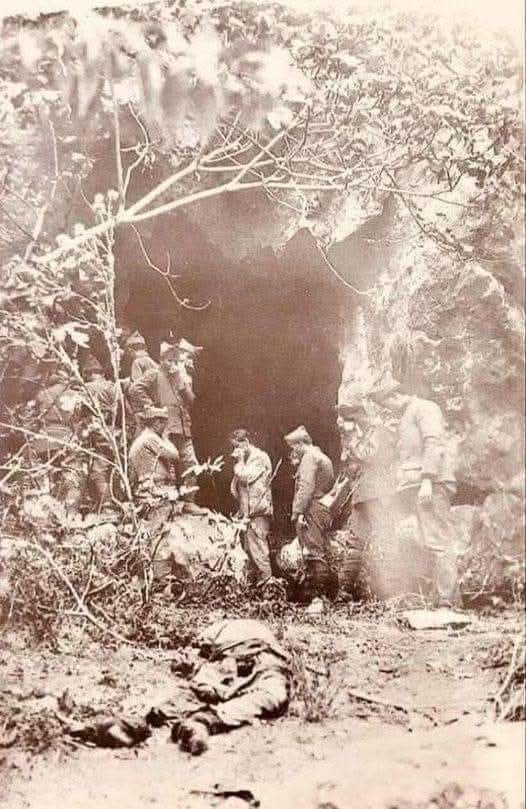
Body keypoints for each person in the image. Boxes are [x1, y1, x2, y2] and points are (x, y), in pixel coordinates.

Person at [369, 373, 459, 606]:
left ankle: (447, 600)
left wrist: (428, 479)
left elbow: (433, 442)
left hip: (430, 485)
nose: (387, 409)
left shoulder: (425, 408)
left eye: (386, 403)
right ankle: (444, 597)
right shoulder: (406, 415)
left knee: (438, 541)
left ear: (395, 395)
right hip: (415, 486)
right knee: (422, 540)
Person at [146, 618, 290, 755]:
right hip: (228, 661)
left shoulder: (232, 631)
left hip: (259, 657)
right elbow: (201, 667)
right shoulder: (212, 653)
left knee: (270, 696)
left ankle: (202, 722)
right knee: (194, 693)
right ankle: (152, 721)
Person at [129, 339, 203, 513]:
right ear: (161, 360)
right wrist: (150, 406)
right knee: (166, 466)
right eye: (169, 360)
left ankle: (189, 501)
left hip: (183, 427)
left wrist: (183, 382)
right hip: (164, 427)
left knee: (190, 463)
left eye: (176, 361)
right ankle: (165, 503)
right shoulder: (154, 374)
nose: (172, 364)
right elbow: (134, 389)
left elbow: (192, 400)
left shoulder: (179, 376)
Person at [284, 426, 337, 606]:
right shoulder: (320, 456)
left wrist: (297, 512)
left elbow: (305, 488)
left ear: (300, 444)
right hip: (321, 506)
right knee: (316, 550)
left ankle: (318, 598)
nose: (293, 451)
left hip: (312, 508)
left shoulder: (309, 457)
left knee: (313, 551)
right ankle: (320, 595)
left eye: (293, 447)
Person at [229, 429, 273, 585]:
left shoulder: (259, 458)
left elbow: (246, 477)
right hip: (249, 512)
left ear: (246, 443)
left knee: (259, 548)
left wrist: (239, 461)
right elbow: (238, 488)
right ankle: (256, 585)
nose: (234, 451)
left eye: (237, 446)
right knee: (250, 549)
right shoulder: (248, 460)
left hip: (258, 511)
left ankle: (268, 583)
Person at [80, 355, 118, 515]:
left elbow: (79, 412)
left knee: (97, 472)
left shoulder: (86, 388)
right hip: (114, 432)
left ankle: (108, 506)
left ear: (88, 374)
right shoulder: (112, 387)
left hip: (97, 432)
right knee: (112, 469)